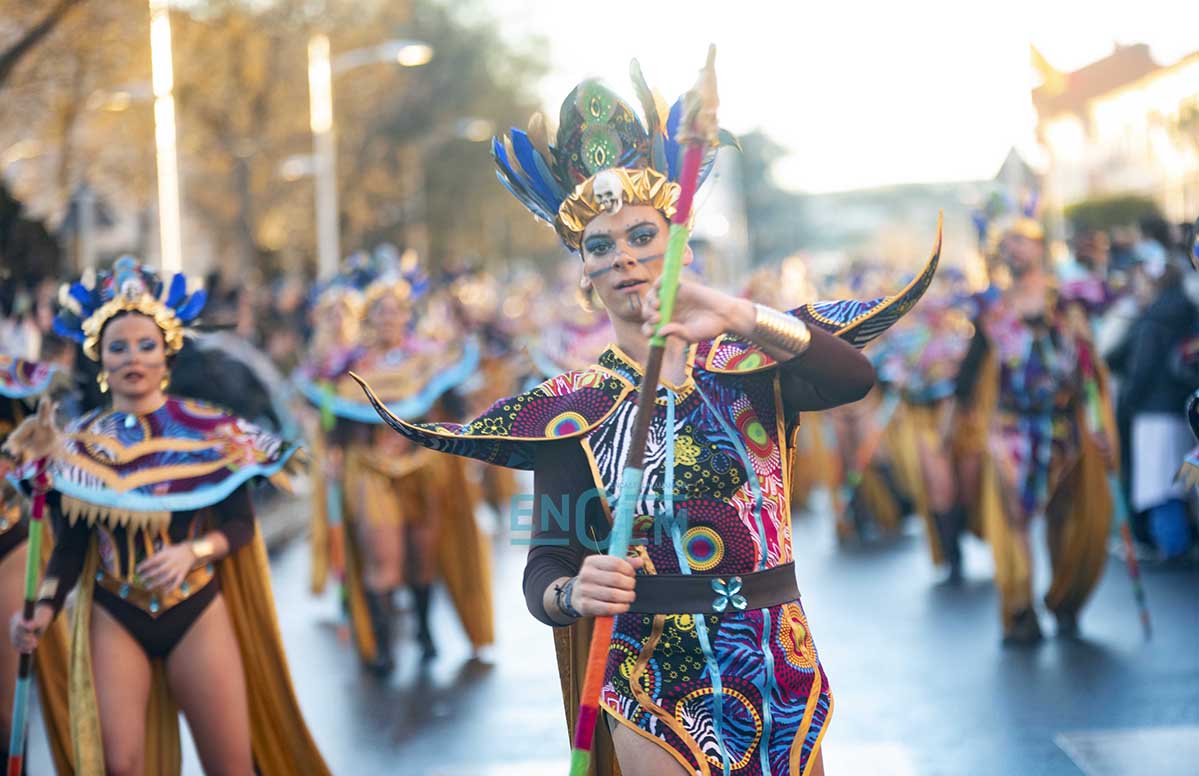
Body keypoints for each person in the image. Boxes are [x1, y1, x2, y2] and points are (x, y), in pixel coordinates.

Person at [354, 65, 942, 776]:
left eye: (642, 235)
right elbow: (545, 558)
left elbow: (852, 377)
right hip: (652, 683)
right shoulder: (573, 408)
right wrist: (571, 592)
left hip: (777, 659)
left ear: (681, 249)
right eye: (601, 246)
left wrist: (735, 313)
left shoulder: (745, 361)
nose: (626, 257)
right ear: (584, 277)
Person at [6, 258, 329, 776]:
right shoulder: (75, 446)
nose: (133, 357)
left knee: (231, 766)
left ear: (166, 354)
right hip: (116, 611)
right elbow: (70, 547)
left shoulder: (213, 433)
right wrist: (42, 610)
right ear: (101, 360)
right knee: (121, 766)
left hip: (196, 608)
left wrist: (195, 551)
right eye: (118, 347)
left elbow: (240, 528)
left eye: (145, 345)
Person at [295, 253, 493, 674]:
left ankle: (423, 631)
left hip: (423, 468)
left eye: (396, 309)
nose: (389, 317)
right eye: (380, 309)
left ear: (408, 313)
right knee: (383, 560)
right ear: (368, 316)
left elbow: (452, 406)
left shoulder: (428, 358)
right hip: (369, 468)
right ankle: (382, 646)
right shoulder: (347, 365)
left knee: (422, 559)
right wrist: (332, 452)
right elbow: (331, 415)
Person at [954, 219, 1116, 644]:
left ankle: (1064, 599)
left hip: (1061, 421)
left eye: (1021, 240)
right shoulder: (993, 308)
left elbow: (1089, 370)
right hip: (1011, 424)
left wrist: (1100, 427)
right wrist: (967, 419)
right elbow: (974, 373)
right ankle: (1021, 608)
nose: (1014, 249)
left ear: (1040, 244)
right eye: (1007, 242)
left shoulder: (1068, 300)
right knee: (1015, 513)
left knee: (1062, 511)